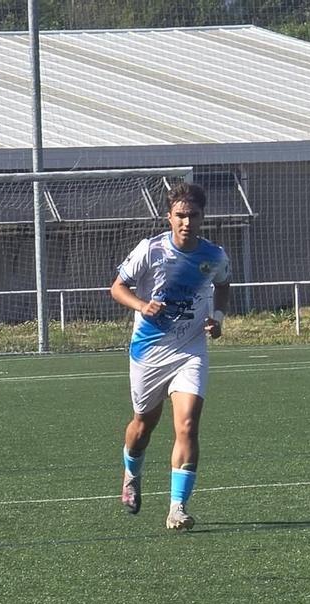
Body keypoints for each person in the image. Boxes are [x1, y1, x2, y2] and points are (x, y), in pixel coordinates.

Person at [111, 180, 231, 532]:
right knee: (143, 426)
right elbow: (117, 287)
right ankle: (131, 474)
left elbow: (224, 284)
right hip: (148, 351)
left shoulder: (214, 256)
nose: (187, 222)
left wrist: (218, 319)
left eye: (193, 215)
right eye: (180, 215)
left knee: (188, 424)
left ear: (202, 217)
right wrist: (141, 305)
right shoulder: (151, 250)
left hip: (190, 350)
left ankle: (177, 507)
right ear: (169, 217)